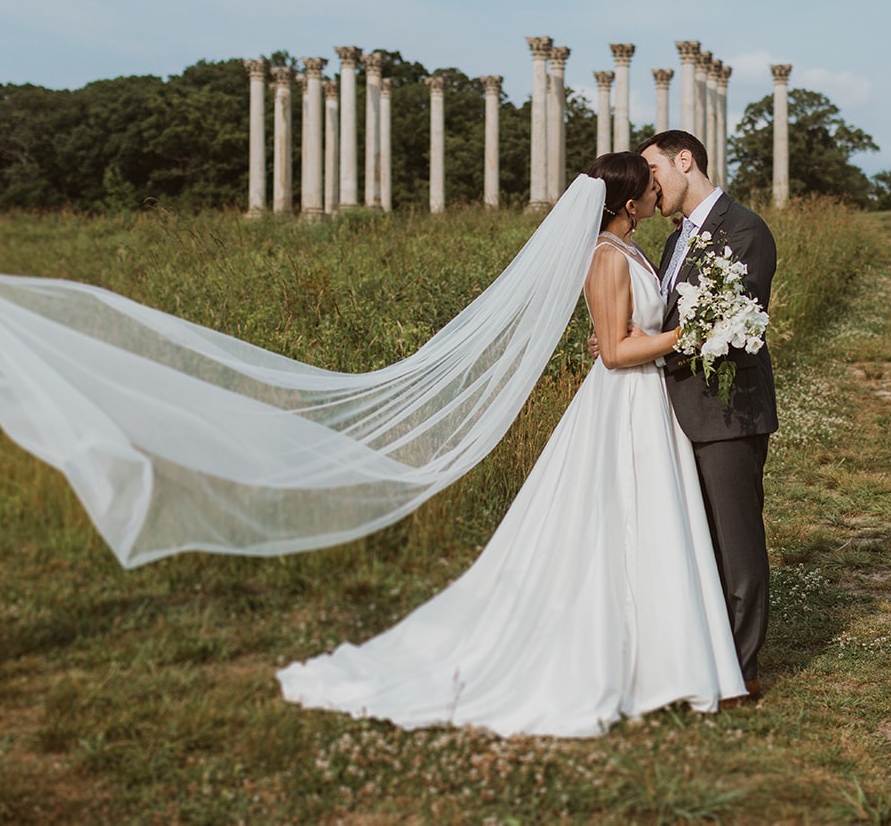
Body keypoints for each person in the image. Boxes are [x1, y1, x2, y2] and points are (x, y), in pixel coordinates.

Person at [277, 152, 747, 737]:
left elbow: (626, 336)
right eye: (651, 187)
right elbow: (618, 350)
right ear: (630, 204)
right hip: (624, 406)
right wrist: (691, 333)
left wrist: (668, 334)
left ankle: (665, 662)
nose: (659, 192)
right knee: (620, 523)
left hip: (649, 405)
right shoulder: (605, 257)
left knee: (654, 526)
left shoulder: (631, 250)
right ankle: (624, 662)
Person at [636, 130, 778, 700]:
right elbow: (673, 318)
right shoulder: (675, 243)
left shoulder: (745, 230)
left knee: (736, 544)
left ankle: (738, 670)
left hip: (726, 411)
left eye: (653, 172)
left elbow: (729, 324)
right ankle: (704, 653)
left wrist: (646, 345)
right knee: (697, 540)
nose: (649, 186)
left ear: (685, 160)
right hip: (675, 410)